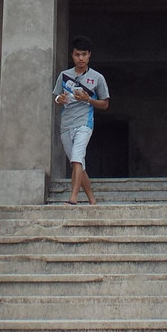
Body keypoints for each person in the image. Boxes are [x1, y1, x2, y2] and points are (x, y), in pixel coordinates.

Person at [53, 35, 110, 205]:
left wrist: (88, 99)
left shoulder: (97, 78)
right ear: (72, 55)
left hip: (84, 124)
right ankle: (92, 199)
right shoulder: (64, 75)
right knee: (78, 165)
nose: (81, 58)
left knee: (77, 158)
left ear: (89, 55)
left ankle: (73, 198)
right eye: (77, 55)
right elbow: (56, 98)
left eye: (84, 54)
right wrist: (59, 100)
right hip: (66, 125)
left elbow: (105, 104)